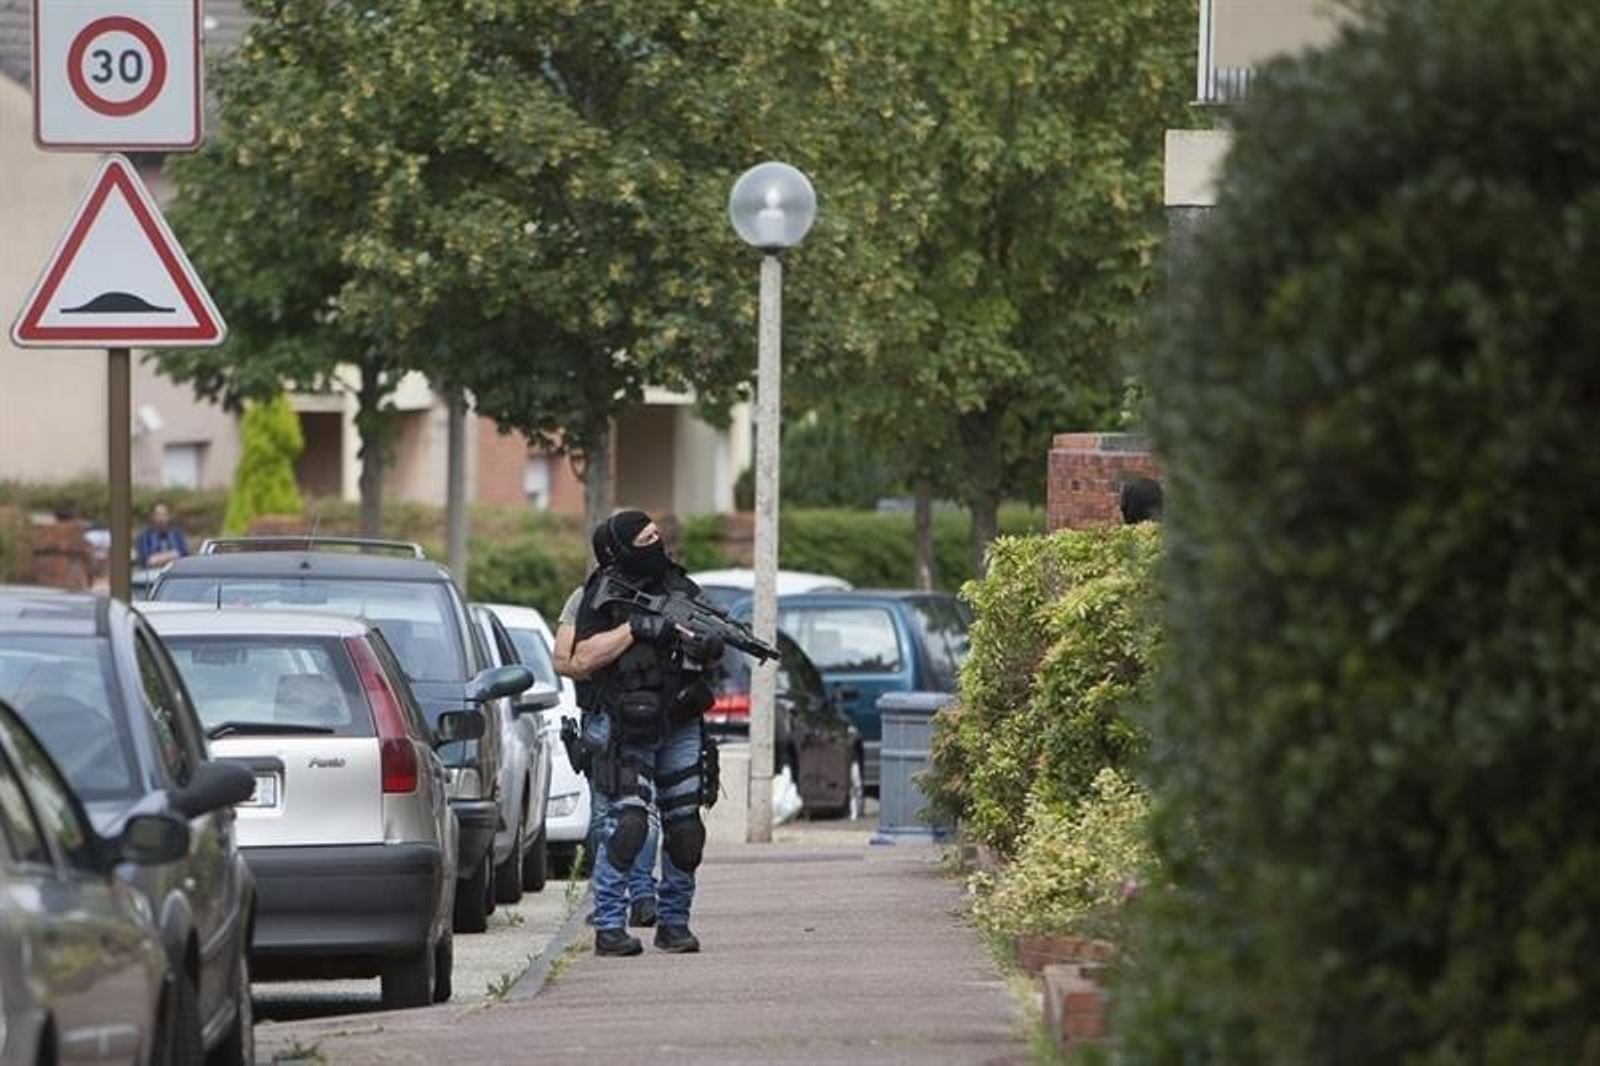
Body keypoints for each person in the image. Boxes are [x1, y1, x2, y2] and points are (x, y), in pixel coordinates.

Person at [571, 509, 720, 956]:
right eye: (646, 537)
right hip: (627, 726)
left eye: (658, 534)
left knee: (686, 829)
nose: (657, 543)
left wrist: (708, 644)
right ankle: (610, 925)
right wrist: (636, 628)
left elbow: (713, 637)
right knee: (629, 824)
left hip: (681, 723)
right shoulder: (601, 593)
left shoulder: (681, 587)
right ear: (622, 548)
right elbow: (580, 658)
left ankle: (674, 923)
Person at [554, 582, 661, 926]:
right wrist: (617, 649)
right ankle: (611, 899)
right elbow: (564, 661)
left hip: (652, 713)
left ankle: (642, 895)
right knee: (606, 812)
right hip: (603, 714)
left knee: (644, 808)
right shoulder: (585, 597)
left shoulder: (666, 594)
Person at [135, 501, 189, 568]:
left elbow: (184, 556)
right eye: (157, 515)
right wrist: (172, 555)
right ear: (152, 517)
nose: (161, 519)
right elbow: (146, 561)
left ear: (169, 516)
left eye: (164, 515)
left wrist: (158, 558)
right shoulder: (144, 536)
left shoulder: (177, 534)